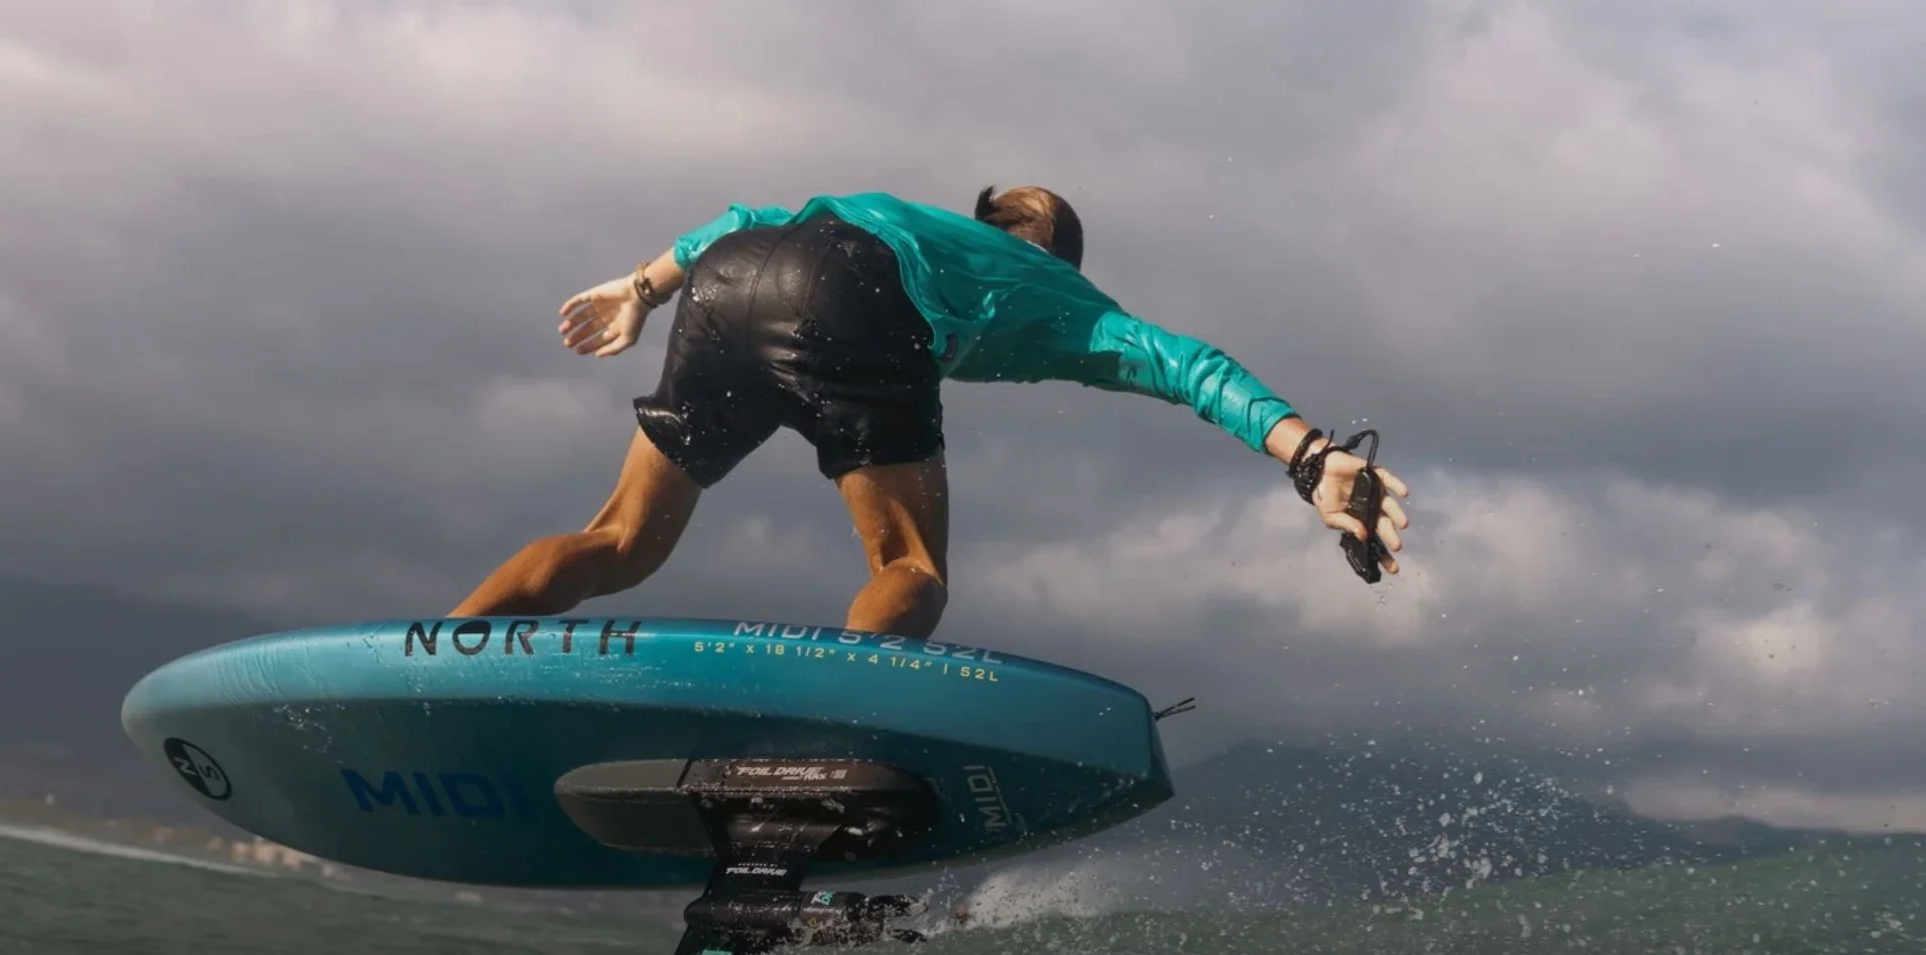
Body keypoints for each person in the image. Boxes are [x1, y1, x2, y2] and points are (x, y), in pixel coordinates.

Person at [449, 187, 1409, 639]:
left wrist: (639, 290)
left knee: (619, 543)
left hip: (734, 276)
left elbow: (736, 220)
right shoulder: (1063, 296)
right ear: (1059, 255)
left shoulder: (911, 214)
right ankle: (822, 740)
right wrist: (1310, 454)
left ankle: (434, 655)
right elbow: (1187, 365)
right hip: (860, 295)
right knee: (910, 571)